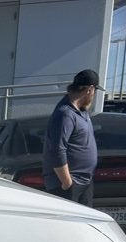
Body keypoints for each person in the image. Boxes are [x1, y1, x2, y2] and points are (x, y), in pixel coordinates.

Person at [42, 69, 101, 205]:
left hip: (84, 182)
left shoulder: (81, 111)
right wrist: (67, 183)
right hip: (68, 185)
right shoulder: (65, 114)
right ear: (89, 90)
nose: (94, 95)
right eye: (95, 91)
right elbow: (57, 150)